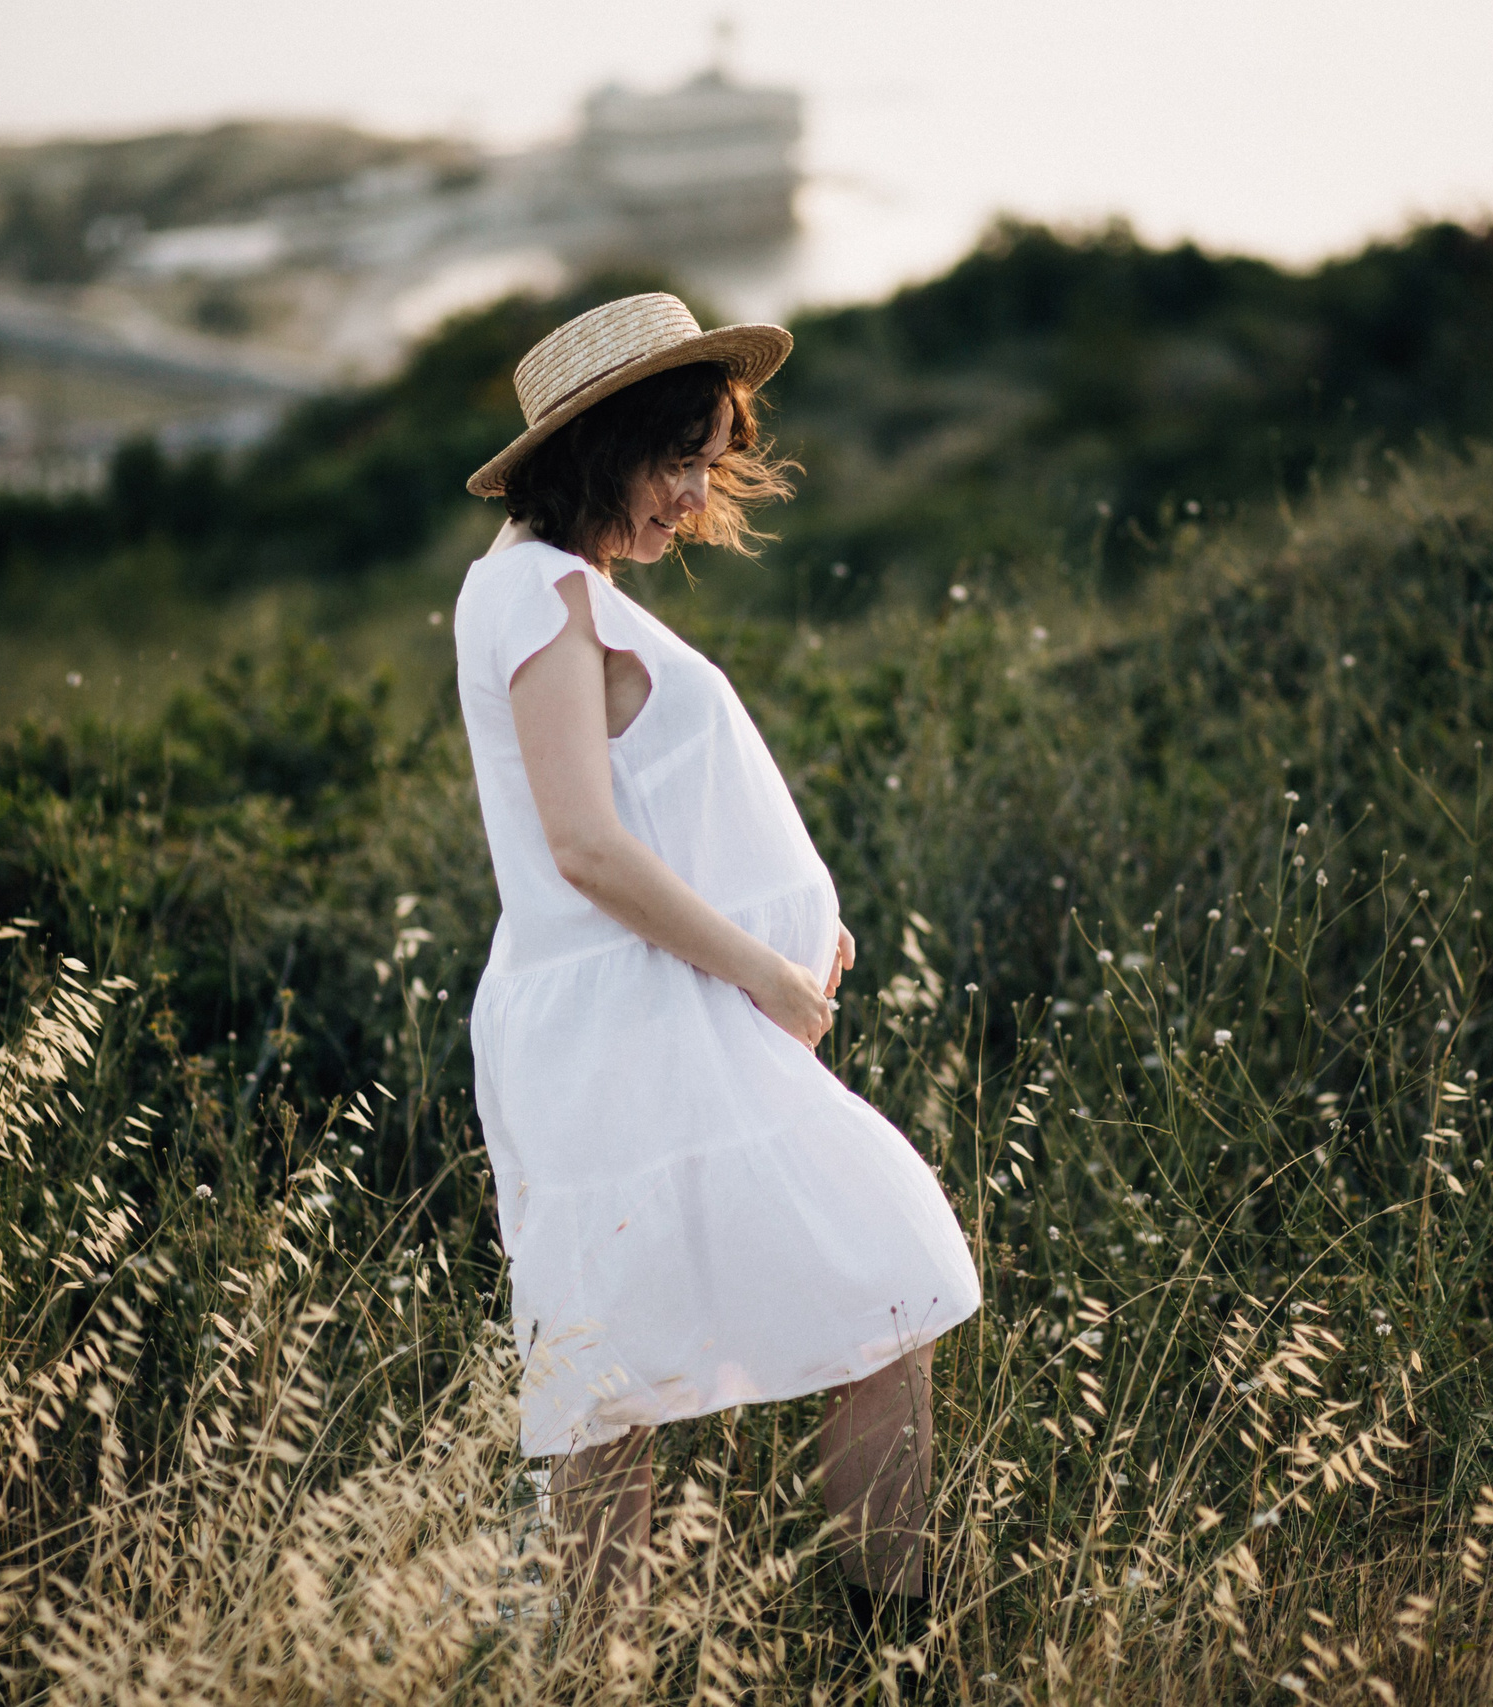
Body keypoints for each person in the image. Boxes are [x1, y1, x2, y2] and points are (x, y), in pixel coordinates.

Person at [453, 293, 982, 1641]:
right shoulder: (538, 591)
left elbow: (643, 809)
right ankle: (890, 1649)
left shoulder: (560, 588)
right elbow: (581, 843)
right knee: (880, 1289)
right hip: (627, 1029)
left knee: (625, 1386)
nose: (695, 493)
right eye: (676, 456)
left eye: (710, 459)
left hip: (640, 1019)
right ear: (599, 446)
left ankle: (626, 1671)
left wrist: (786, 915)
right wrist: (772, 970)